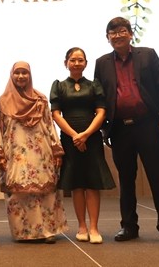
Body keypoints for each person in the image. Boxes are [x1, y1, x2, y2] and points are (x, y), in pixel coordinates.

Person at [94, 16, 159, 248]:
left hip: (149, 125)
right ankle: (129, 226)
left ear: (130, 34)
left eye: (122, 31)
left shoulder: (148, 55)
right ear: (107, 38)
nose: (118, 35)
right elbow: (99, 97)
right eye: (113, 32)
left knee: (158, 177)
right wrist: (104, 129)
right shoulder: (102, 63)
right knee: (126, 180)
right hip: (120, 129)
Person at [0, 61, 66, 244]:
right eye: (17, 73)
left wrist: (56, 149)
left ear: (30, 75)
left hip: (41, 152)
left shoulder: (40, 99)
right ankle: (23, 232)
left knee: (45, 190)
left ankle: (48, 231)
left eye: (24, 73)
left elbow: (50, 126)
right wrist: (0, 153)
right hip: (15, 153)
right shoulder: (3, 101)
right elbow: (0, 129)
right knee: (18, 191)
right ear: (12, 75)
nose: (20, 76)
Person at [50, 47, 115, 244]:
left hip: (92, 139)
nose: (76, 63)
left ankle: (94, 227)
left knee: (92, 183)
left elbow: (101, 112)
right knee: (77, 184)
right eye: (73, 60)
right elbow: (55, 114)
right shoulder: (59, 86)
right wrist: (74, 135)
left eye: (80, 60)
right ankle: (82, 226)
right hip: (69, 140)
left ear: (86, 63)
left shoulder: (94, 85)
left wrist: (86, 134)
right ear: (66, 63)